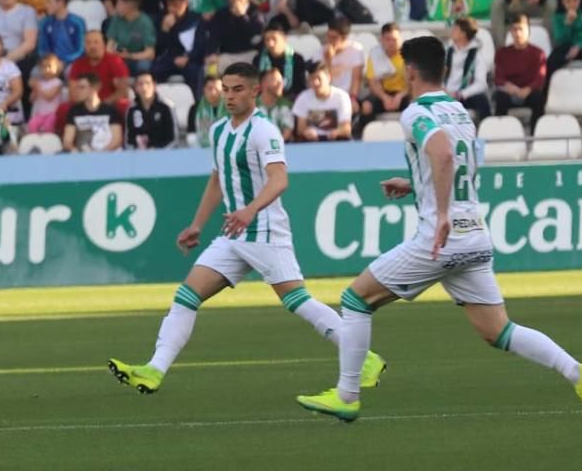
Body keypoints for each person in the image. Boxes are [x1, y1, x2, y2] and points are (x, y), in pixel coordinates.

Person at [295, 36, 582, 422]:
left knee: (356, 300)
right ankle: (578, 372)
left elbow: (441, 152)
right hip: (474, 233)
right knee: (498, 331)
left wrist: (440, 213)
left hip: (441, 239)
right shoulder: (460, 112)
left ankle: (347, 394)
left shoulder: (414, 112)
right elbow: (459, 163)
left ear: (409, 70)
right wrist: (417, 185)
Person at [107, 62, 385, 395]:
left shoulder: (263, 131)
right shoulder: (219, 131)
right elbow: (217, 180)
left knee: (298, 300)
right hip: (234, 233)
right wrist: (197, 224)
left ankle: (364, 357)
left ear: (255, 91)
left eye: (238, 89)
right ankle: (154, 369)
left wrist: (250, 211)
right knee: (186, 296)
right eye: (225, 89)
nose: (230, 96)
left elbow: (279, 179)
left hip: (265, 230)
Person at [196, 0, 264, 74]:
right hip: (227, 56)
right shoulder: (221, 14)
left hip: (250, 55)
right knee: (209, 69)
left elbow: (256, 39)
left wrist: (242, 17)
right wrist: (211, 53)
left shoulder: (255, 12)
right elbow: (214, 38)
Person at [493, 14, 548, 121]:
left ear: (528, 31)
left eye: (521, 29)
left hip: (529, 92)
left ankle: (535, 135)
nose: (517, 33)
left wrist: (528, 89)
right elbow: (498, 77)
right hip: (509, 91)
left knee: (539, 98)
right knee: (500, 98)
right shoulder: (502, 53)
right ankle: (501, 133)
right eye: (514, 29)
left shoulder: (538, 53)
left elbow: (540, 78)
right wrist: (510, 87)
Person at [151, 0, 202, 92]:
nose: (173, 9)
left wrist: (188, 57)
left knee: (195, 72)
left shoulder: (195, 19)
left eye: (177, 6)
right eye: (170, 6)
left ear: (185, 3)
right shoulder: (162, 18)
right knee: (155, 70)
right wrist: (164, 30)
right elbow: (158, 48)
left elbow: (200, 44)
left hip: (190, 58)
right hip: (171, 58)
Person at [69, 30, 131, 112]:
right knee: (63, 109)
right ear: (84, 46)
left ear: (104, 44)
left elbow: (123, 91)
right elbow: (73, 93)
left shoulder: (115, 61)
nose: (92, 46)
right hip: (84, 105)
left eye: (96, 42)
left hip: (109, 104)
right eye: (88, 43)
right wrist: (88, 105)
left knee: (123, 105)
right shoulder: (77, 64)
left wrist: (102, 104)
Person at [443, 18, 492, 121]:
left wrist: (460, 94)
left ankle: (486, 131)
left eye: (455, 29)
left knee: (481, 100)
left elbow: (481, 84)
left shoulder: (477, 55)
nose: (452, 31)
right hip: (445, 94)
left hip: (464, 96)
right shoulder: (447, 52)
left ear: (463, 34)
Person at [361, 23, 409, 124]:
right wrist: (384, 98)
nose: (391, 43)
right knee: (366, 106)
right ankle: (364, 136)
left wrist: (399, 96)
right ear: (382, 40)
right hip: (382, 93)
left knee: (416, 106)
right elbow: (372, 81)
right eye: (388, 39)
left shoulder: (409, 55)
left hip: (404, 94)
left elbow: (415, 82)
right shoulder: (375, 54)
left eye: (394, 40)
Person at [63, 73, 124, 152]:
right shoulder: (74, 111)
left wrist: (101, 154)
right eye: (77, 88)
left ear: (95, 88)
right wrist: (75, 151)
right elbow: (67, 140)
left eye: (82, 87)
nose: (78, 91)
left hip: (110, 156)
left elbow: (117, 140)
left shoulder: (110, 110)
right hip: (84, 157)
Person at [292, 63, 352, 141]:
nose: (315, 83)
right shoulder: (303, 98)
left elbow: (346, 129)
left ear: (328, 78)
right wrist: (306, 132)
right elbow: (300, 129)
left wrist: (337, 132)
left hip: (336, 140)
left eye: (319, 78)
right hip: (311, 141)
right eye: (312, 79)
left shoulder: (342, 96)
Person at [106, 0, 157, 74]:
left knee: (143, 65)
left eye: (119, 4)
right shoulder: (116, 19)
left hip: (137, 58)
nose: (116, 6)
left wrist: (130, 56)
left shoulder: (145, 23)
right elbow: (110, 46)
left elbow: (150, 53)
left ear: (129, 6)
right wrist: (119, 51)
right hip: (120, 56)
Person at [254, 21, 308, 97]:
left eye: (274, 39)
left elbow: (300, 87)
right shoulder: (258, 59)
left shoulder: (296, 59)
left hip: (290, 100)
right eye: (267, 40)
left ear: (284, 38)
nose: (270, 44)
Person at [125, 72, 177, 149]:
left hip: (163, 154)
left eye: (148, 83)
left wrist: (156, 151)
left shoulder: (166, 107)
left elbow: (173, 139)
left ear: (154, 85)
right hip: (138, 155)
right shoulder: (131, 109)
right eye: (140, 84)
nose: (144, 87)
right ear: (135, 88)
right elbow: (129, 140)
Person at [38, 0, 88, 66]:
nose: (46, 5)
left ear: (60, 2)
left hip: (73, 63)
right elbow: (42, 48)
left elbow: (81, 50)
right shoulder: (45, 22)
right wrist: (50, 61)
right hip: (51, 64)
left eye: (49, 2)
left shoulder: (77, 22)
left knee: (69, 72)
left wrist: (64, 61)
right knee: (35, 73)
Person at [322, 16, 363, 98]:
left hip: (347, 96)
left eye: (334, 38)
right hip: (327, 96)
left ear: (345, 38)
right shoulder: (321, 52)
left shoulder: (355, 50)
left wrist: (353, 98)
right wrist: (328, 61)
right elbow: (321, 81)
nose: (329, 40)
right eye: (328, 36)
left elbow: (356, 78)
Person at [29, 55, 66, 134]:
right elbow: (31, 99)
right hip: (40, 114)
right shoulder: (39, 83)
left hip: (52, 114)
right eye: (43, 67)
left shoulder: (57, 82)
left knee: (48, 127)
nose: (47, 69)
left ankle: (49, 144)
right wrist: (34, 90)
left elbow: (49, 96)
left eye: (49, 66)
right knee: (32, 125)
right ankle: (36, 142)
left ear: (57, 68)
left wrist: (38, 86)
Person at [257, 66, 294, 140]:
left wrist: (275, 147)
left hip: (282, 147)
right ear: (263, 83)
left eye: (281, 80)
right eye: (276, 80)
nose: (280, 84)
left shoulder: (286, 104)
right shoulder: (251, 106)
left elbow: (288, 130)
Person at [187, 75, 225, 146]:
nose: (213, 93)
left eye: (217, 89)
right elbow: (191, 133)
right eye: (210, 89)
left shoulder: (231, 108)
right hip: (201, 148)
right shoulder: (195, 108)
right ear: (203, 89)